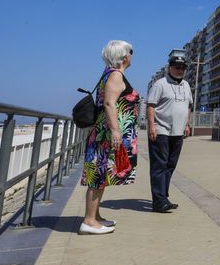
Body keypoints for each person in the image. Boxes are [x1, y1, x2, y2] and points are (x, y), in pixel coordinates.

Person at [79, 40, 139, 235]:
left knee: (101, 175)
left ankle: (95, 216)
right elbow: (109, 103)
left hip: (103, 134)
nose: (132, 55)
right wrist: (115, 130)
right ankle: (88, 221)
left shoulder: (110, 73)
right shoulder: (115, 75)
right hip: (105, 136)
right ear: (124, 56)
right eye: (130, 52)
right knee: (97, 176)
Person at [146, 53, 193, 213]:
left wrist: (187, 124)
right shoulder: (160, 84)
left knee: (170, 165)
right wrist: (151, 126)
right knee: (159, 165)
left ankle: (163, 197)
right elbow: (150, 106)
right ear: (170, 67)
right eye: (177, 67)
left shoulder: (186, 85)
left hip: (178, 131)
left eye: (183, 68)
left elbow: (189, 106)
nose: (180, 70)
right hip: (161, 130)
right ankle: (159, 201)